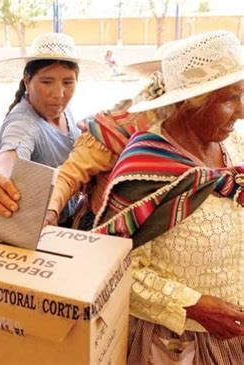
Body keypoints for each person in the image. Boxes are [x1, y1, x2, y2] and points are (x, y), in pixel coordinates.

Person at [93, 31, 243, 364]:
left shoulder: (236, 148)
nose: (242, 112)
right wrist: (192, 305)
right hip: (175, 346)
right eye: (230, 99)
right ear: (191, 103)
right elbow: (113, 268)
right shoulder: (144, 170)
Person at [0, 32, 102, 227]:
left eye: (68, 82)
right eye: (47, 82)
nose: (59, 94)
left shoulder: (64, 112)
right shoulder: (23, 122)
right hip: (39, 228)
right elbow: (9, 155)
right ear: (27, 81)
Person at [45, 71, 171, 230]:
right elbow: (69, 174)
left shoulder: (207, 137)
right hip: (107, 228)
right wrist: (51, 209)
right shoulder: (122, 125)